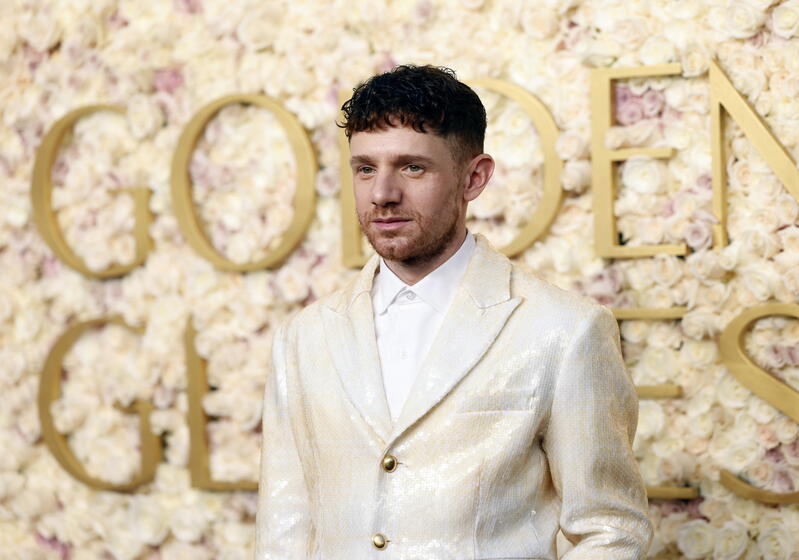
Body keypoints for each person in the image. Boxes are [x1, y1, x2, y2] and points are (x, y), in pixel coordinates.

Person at [255, 64, 653, 559]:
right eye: (365, 168)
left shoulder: (565, 330)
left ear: (475, 177)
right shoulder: (304, 337)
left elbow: (608, 530)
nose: (382, 194)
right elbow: (284, 529)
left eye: (412, 167)